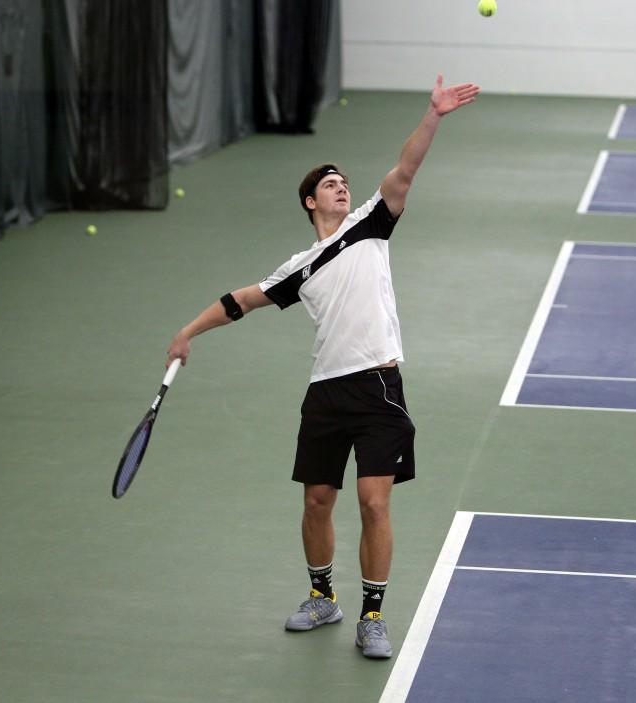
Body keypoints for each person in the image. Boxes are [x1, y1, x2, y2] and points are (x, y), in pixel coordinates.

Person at [165, 75, 480, 659]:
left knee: (374, 503)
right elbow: (242, 301)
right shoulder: (300, 266)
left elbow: (405, 171)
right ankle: (321, 596)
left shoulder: (371, 223)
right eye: (329, 185)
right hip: (325, 393)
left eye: (343, 183)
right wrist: (187, 332)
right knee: (316, 501)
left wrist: (433, 115)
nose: (341, 189)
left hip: (379, 387)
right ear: (311, 202)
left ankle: (374, 614)